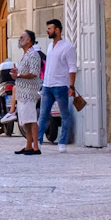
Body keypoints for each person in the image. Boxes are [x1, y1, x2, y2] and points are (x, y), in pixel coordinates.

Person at [39, 16, 83, 148]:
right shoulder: (49, 47)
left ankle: (62, 142)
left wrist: (71, 86)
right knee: (43, 115)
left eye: (50, 28)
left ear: (57, 30)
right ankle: (38, 142)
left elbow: (72, 67)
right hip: (47, 85)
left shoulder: (67, 47)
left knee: (65, 114)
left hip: (60, 86)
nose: (48, 31)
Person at [10, 29, 45, 155]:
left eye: (22, 37)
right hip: (22, 93)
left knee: (31, 120)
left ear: (29, 40)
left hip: (29, 93)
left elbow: (34, 73)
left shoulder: (33, 55)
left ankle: (36, 146)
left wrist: (18, 75)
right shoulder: (26, 55)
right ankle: (28, 145)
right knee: (25, 120)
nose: (20, 39)